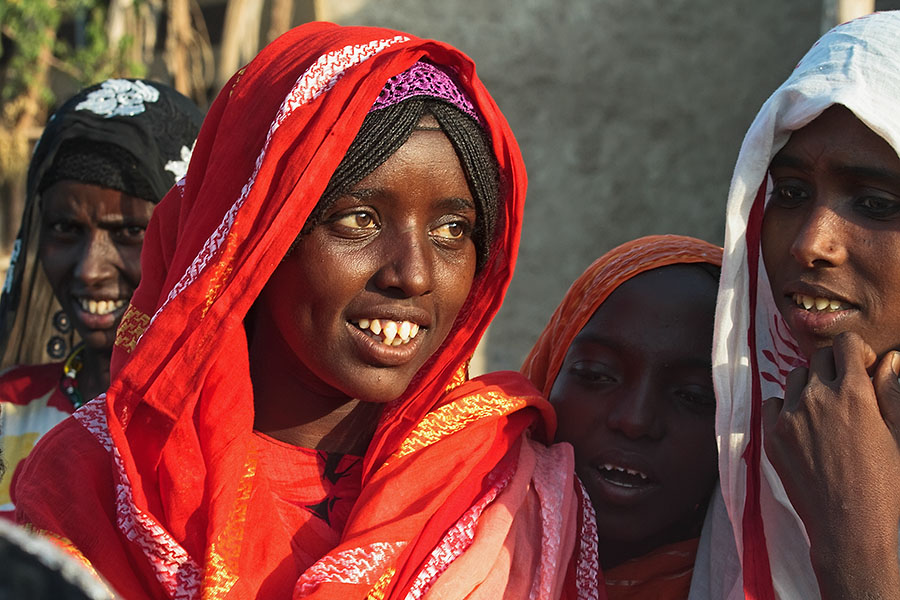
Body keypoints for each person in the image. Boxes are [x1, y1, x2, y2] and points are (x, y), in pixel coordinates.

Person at [12, 23, 592, 600]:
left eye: (451, 230)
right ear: (259, 236)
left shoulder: (506, 496)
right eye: (359, 220)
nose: (412, 274)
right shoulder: (97, 485)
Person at [699, 10, 900, 600]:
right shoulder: (759, 441)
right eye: (788, 194)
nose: (810, 243)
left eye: (875, 202)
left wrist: (855, 544)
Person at [0, 79, 203, 520]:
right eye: (64, 228)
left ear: (191, 240)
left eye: (129, 232)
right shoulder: (7, 411)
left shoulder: (225, 435)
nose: (90, 270)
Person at [522, 235, 722, 600]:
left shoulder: (763, 583)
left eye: (693, 396)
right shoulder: (449, 547)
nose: (635, 420)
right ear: (550, 372)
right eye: (597, 374)